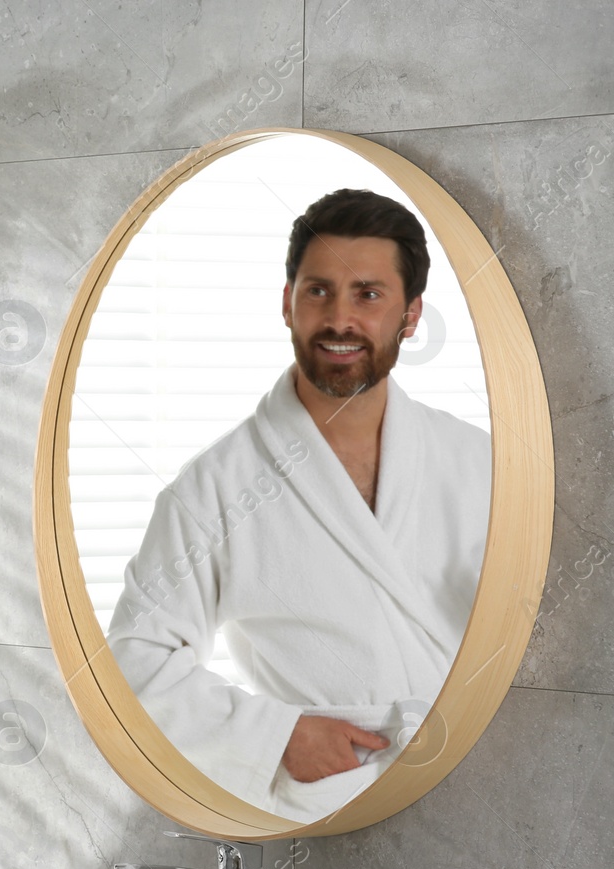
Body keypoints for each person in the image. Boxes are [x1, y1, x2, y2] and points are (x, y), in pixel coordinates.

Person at [106, 188, 490, 822]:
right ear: (288, 303)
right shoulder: (216, 486)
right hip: (330, 806)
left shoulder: (477, 461)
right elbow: (131, 659)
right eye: (318, 291)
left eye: (368, 294)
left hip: (480, 783)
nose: (340, 319)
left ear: (411, 315)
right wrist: (277, 736)